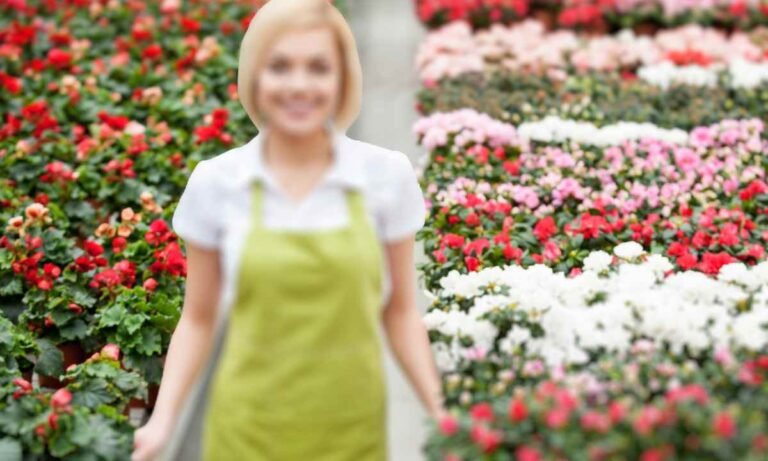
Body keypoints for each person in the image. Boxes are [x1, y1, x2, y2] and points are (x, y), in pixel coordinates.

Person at [131, 0, 446, 459]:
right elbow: (198, 319)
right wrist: (162, 423)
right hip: (247, 429)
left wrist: (443, 414)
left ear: (342, 80)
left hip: (351, 429)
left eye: (318, 68)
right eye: (280, 67)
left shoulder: (385, 176)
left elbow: (398, 313)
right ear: (255, 77)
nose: (299, 84)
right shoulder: (218, 182)